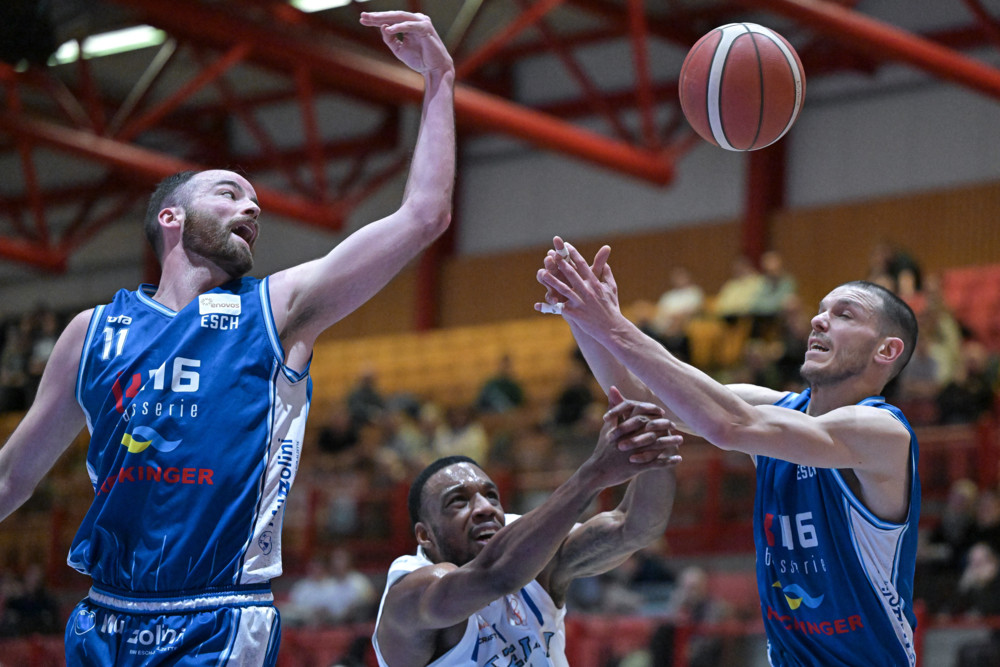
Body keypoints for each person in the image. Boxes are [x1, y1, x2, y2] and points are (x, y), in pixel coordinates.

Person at [0, 11, 455, 665]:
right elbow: (13, 476)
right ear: (171, 217)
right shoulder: (92, 331)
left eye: (255, 202)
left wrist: (439, 78)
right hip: (102, 617)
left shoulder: (278, 309)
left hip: (216, 617)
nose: (253, 207)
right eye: (228, 193)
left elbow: (424, 214)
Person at [536, 237, 921, 667]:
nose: (818, 320)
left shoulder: (882, 432)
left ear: (886, 350)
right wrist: (580, 313)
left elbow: (726, 424)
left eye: (843, 314)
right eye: (821, 309)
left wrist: (611, 325)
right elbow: (641, 398)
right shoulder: (777, 410)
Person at [372, 388, 682, 667]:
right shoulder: (412, 592)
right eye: (458, 501)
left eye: (491, 495)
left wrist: (652, 449)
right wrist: (594, 474)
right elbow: (496, 576)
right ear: (425, 535)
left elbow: (636, 528)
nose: (484, 508)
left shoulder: (529, 553)